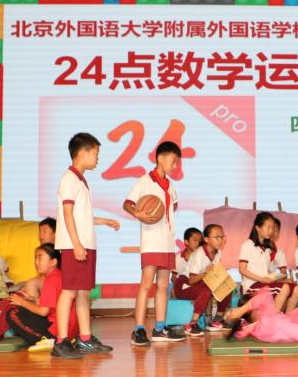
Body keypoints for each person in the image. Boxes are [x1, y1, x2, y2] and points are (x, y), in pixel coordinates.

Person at [54, 132, 120, 359]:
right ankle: (61, 341)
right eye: (96, 154)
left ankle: (85, 339)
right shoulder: (69, 179)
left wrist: (103, 221)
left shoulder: (81, 180)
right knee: (69, 292)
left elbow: (80, 217)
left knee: (83, 292)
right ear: (82, 153)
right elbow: (67, 214)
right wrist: (76, 244)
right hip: (75, 245)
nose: (97, 158)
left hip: (84, 244)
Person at [124, 141, 185, 347]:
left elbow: (173, 206)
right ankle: (138, 329)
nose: (175, 166)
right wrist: (138, 213)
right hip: (151, 241)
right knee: (146, 284)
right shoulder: (145, 181)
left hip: (167, 241)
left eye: (177, 163)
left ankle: (159, 328)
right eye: (173, 161)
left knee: (163, 285)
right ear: (160, 158)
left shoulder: (170, 185)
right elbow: (127, 203)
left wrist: (160, 211)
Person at [6, 243, 81, 352]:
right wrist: (34, 300)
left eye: (40, 258)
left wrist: (22, 302)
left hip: (57, 331)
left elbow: (43, 312)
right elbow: (54, 305)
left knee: (12, 313)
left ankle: (47, 339)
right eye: (36, 258)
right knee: (22, 308)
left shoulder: (51, 280)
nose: (37, 262)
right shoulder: (58, 275)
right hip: (69, 331)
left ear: (53, 262)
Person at [176, 224, 232, 335]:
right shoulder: (199, 254)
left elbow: (212, 273)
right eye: (217, 237)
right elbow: (191, 280)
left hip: (200, 283)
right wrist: (206, 273)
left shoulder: (218, 252)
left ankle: (216, 320)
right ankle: (192, 323)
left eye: (222, 237)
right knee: (207, 290)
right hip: (184, 286)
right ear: (206, 239)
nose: (220, 240)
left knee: (227, 287)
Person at [238, 212, 295, 311]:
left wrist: (274, 277)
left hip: (263, 283)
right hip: (252, 285)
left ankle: (287, 317)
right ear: (258, 228)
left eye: (272, 228)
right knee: (285, 288)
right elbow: (242, 270)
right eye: (268, 227)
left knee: (295, 288)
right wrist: (262, 279)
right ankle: (272, 318)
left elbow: (264, 270)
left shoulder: (267, 249)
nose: (271, 230)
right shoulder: (248, 245)